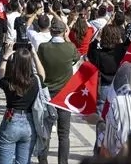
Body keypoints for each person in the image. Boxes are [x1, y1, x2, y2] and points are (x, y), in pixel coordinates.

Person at [37, 18, 80, 164]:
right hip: (64, 94)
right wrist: (67, 39)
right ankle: (63, 162)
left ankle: (43, 160)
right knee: (64, 134)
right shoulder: (70, 48)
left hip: (48, 93)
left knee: (45, 131)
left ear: (51, 31)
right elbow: (77, 58)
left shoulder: (43, 47)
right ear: (63, 32)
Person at [0, 47, 40, 164]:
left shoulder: (8, 82)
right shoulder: (35, 81)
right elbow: (42, 75)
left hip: (11, 118)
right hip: (29, 122)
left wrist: (5, 58)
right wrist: (35, 56)